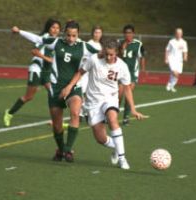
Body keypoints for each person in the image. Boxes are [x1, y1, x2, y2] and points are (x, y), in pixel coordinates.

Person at [21, 20, 99, 162]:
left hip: (74, 86)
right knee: (57, 125)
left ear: (78, 34)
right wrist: (20, 31)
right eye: (68, 35)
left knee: (75, 113)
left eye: (74, 36)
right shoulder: (56, 42)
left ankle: (68, 150)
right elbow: (37, 39)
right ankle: (61, 150)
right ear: (64, 34)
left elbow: (103, 54)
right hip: (56, 88)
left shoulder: (84, 46)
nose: (71, 38)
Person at [60, 39, 145, 170]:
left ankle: (122, 159)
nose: (109, 57)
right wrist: (70, 86)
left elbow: (127, 88)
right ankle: (117, 147)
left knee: (112, 119)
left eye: (112, 54)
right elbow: (80, 72)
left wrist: (133, 109)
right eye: (107, 54)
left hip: (110, 99)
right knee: (101, 139)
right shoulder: (94, 59)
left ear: (117, 53)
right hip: (93, 102)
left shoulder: (122, 66)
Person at [3, 19, 61, 127]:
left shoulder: (56, 40)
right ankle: (9, 113)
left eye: (58, 28)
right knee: (28, 97)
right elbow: (34, 51)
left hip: (46, 72)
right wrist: (47, 59)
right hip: (36, 69)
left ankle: (55, 121)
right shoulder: (45, 38)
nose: (55, 30)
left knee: (54, 94)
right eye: (53, 27)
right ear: (49, 28)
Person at [118, 24, 146, 126]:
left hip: (132, 74)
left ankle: (126, 118)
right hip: (120, 74)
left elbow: (142, 56)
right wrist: (122, 49)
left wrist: (143, 69)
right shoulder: (120, 43)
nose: (127, 35)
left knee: (128, 96)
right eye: (126, 33)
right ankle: (113, 115)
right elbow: (116, 56)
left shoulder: (138, 44)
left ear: (133, 34)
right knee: (118, 96)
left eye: (130, 33)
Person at [78, 25, 103, 121]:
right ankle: (80, 113)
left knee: (91, 94)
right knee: (83, 92)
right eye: (96, 32)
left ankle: (86, 112)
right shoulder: (89, 44)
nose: (97, 34)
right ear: (92, 33)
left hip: (95, 74)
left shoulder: (101, 46)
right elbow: (84, 59)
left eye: (99, 32)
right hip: (86, 73)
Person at [165, 28, 188, 92]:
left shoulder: (184, 42)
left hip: (179, 61)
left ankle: (171, 85)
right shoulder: (171, 41)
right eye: (178, 33)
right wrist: (166, 58)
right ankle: (170, 84)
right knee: (175, 73)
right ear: (175, 34)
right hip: (171, 59)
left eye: (180, 33)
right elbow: (167, 50)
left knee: (177, 74)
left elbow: (185, 51)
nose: (179, 34)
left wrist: (185, 57)